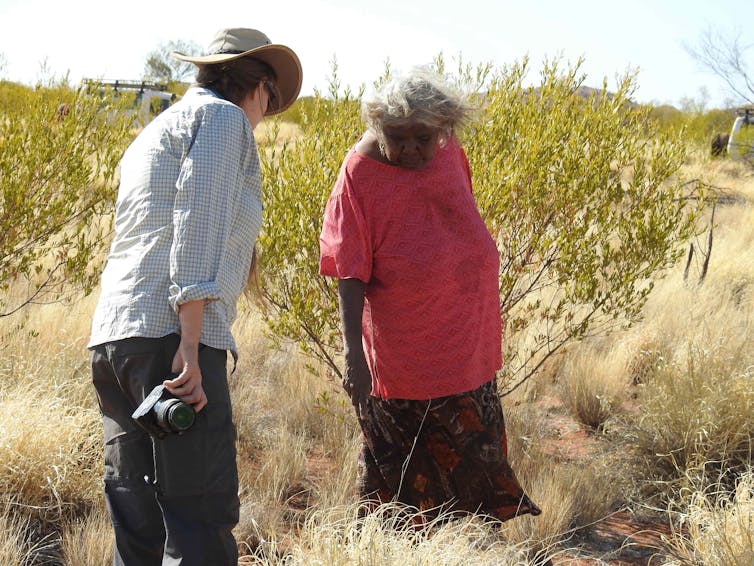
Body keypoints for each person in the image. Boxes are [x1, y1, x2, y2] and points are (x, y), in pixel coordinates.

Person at [87, 28, 302, 565]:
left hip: (117, 338)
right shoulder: (224, 119)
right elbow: (197, 219)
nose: (265, 113)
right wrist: (191, 340)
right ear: (256, 86)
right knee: (197, 517)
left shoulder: (155, 130)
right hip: (170, 339)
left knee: (137, 522)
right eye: (270, 101)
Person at [319, 68, 541, 523]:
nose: (411, 150)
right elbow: (348, 269)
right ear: (379, 128)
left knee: (473, 468)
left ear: (444, 130)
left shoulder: (449, 153)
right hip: (402, 356)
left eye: (423, 138)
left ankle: (468, 549)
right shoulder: (359, 173)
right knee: (401, 479)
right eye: (397, 138)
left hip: (463, 345)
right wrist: (354, 358)